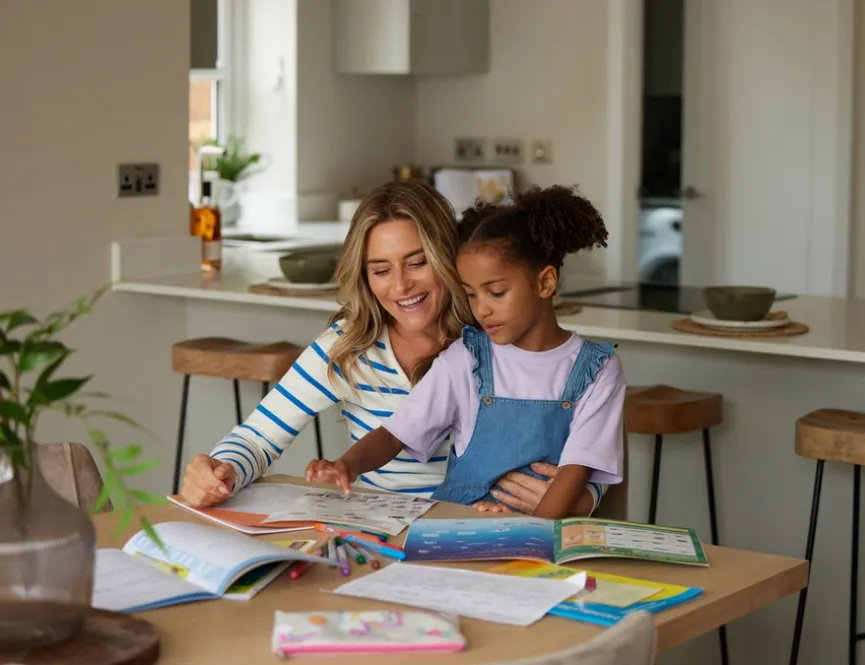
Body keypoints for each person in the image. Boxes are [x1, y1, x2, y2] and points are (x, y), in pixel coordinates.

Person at [179, 179, 567, 510]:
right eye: (381, 270)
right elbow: (258, 438)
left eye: (417, 263)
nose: (400, 286)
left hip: (489, 531)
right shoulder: (349, 348)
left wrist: (567, 495)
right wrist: (220, 471)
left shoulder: (498, 339)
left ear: (449, 258)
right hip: (384, 537)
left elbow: (577, 447)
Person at [306, 184, 626, 519]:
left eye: (496, 292)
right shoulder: (466, 358)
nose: (481, 310)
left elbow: (576, 472)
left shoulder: (598, 370)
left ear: (545, 283)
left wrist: (531, 535)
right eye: (471, 295)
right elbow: (394, 433)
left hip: (538, 531)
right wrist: (347, 465)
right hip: (459, 522)